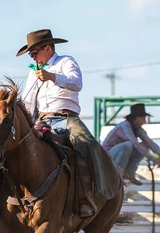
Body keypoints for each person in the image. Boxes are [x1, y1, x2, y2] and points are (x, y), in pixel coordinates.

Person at [18, 29, 121, 217]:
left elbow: (76, 83)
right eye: (31, 55)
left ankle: (89, 194)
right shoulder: (33, 73)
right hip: (42, 120)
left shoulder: (66, 62)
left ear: (47, 48)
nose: (33, 58)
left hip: (66, 118)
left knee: (86, 144)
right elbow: (27, 103)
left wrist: (52, 77)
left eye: (34, 53)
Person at [102, 103, 160, 185]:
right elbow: (134, 143)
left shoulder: (137, 129)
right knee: (129, 145)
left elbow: (148, 142)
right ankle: (118, 174)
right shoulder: (124, 127)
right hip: (107, 155)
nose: (144, 120)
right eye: (143, 118)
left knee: (142, 146)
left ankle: (129, 174)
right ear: (136, 118)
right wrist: (153, 158)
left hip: (115, 155)